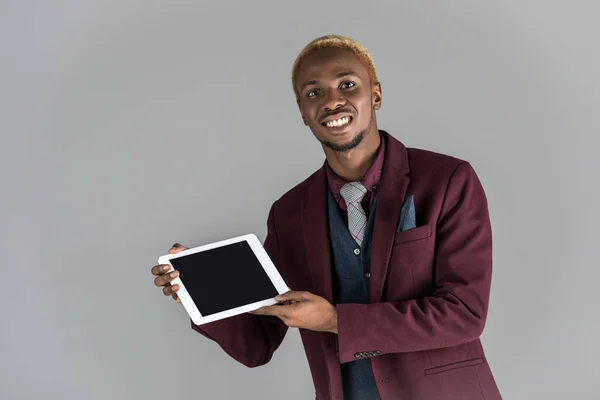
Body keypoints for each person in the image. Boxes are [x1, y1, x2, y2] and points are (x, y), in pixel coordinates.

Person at [151, 34, 502, 400]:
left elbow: (464, 314)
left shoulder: (447, 179)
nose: (332, 102)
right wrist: (199, 291)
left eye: (347, 85)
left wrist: (335, 320)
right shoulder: (289, 213)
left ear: (376, 95)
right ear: (303, 112)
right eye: (314, 93)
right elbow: (257, 346)